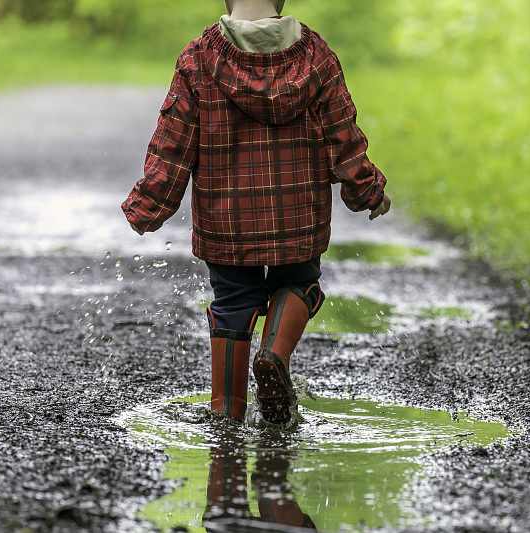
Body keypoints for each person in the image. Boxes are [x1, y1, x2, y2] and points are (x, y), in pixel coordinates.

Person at [121, 0, 390, 424]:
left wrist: (149, 204)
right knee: (299, 282)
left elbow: (173, 143)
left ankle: (226, 409)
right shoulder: (316, 57)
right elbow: (343, 135)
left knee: (232, 298)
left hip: (226, 219)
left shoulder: (199, 58)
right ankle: (273, 355)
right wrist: (367, 189)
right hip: (298, 214)